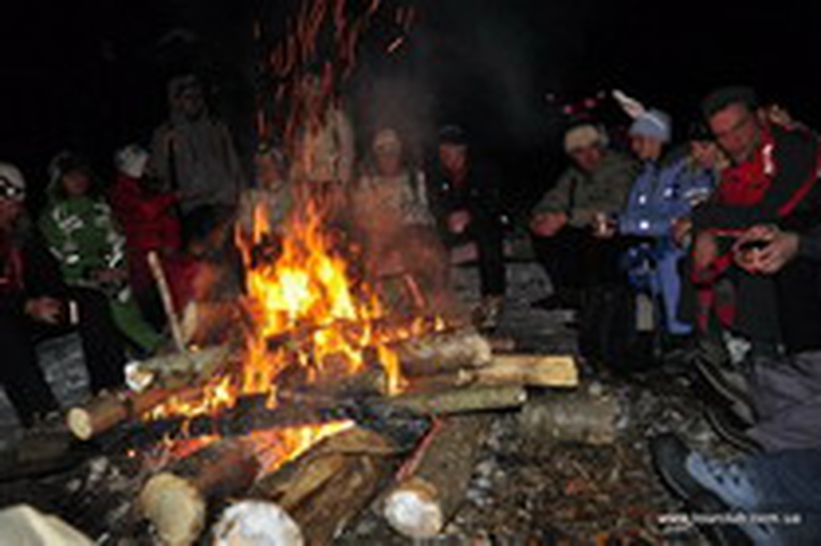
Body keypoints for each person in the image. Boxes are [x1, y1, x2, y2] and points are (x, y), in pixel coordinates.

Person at [684, 87, 821, 448]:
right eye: (722, 135)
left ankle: (766, 392)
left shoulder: (795, 148)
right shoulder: (739, 165)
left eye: (739, 128)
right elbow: (738, 209)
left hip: (803, 250)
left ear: (760, 117)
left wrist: (707, 223)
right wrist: (712, 232)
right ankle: (750, 373)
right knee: (746, 252)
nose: (732, 140)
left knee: (774, 259)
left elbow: (775, 211)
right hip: (796, 240)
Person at [0, 162, 125, 426]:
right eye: (8, 198)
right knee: (3, 332)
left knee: (90, 303)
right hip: (9, 316)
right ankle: (41, 418)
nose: (14, 205)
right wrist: (26, 305)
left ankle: (110, 391)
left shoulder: (22, 232)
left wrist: (55, 298)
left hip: (30, 312)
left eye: (17, 198)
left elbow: (47, 275)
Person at [39, 152, 164, 355]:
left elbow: (118, 239)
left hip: (116, 277)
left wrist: (122, 267)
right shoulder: (52, 217)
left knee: (132, 313)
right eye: (70, 176)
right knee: (112, 323)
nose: (78, 181)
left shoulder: (101, 206)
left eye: (81, 175)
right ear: (59, 181)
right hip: (82, 285)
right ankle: (155, 348)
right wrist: (94, 272)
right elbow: (62, 256)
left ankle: (151, 354)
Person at [614, 98, 715, 339]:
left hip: (678, 246)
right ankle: (643, 337)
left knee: (669, 261)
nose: (634, 147)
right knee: (625, 261)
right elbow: (633, 213)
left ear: (657, 139)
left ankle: (682, 336)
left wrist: (629, 226)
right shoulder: (647, 174)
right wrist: (614, 222)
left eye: (639, 140)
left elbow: (684, 219)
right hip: (649, 244)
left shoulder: (689, 170)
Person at [530, 122, 638, 310]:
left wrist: (566, 217)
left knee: (590, 240)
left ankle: (589, 298)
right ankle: (568, 292)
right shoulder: (574, 175)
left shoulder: (621, 167)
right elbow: (554, 197)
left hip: (619, 228)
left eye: (593, 148)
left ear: (602, 147)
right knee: (547, 234)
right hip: (584, 226)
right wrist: (541, 216)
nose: (588, 156)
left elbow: (615, 205)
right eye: (579, 151)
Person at [351, 128, 448, 311]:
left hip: (411, 236)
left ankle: (437, 303)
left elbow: (425, 212)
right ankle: (371, 304)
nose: (388, 158)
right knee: (372, 250)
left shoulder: (414, 179)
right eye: (383, 152)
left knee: (430, 251)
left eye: (392, 152)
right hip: (380, 238)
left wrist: (404, 223)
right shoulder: (367, 184)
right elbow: (362, 217)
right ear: (376, 155)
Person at [427, 125, 506, 322]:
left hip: (481, 221)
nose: (446, 157)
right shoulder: (438, 174)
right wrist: (447, 217)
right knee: (433, 243)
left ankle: (492, 299)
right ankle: (438, 299)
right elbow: (435, 203)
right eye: (442, 152)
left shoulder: (483, 170)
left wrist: (470, 215)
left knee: (490, 240)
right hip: (452, 224)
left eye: (450, 151)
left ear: (462, 150)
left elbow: (494, 203)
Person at [151, 73, 246, 221]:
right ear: (177, 101)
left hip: (225, 201)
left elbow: (234, 164)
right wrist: (170, 207)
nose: (194, 101)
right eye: (188, 97)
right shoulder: (166, 134)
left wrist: (241, 195)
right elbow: (160, 176)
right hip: (192, 207)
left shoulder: (217, 127)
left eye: (197, 96)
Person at [108, 144, 184, 324]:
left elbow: (166, 218)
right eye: (146, 163)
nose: (150, 166)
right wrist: (172, 197)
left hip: (160, 248)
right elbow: (145, 212)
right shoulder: (122, 191)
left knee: (172, 290)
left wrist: (172, 242)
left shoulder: (147, 185)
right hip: (143, 253)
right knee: (152, 296)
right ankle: (160, 330)